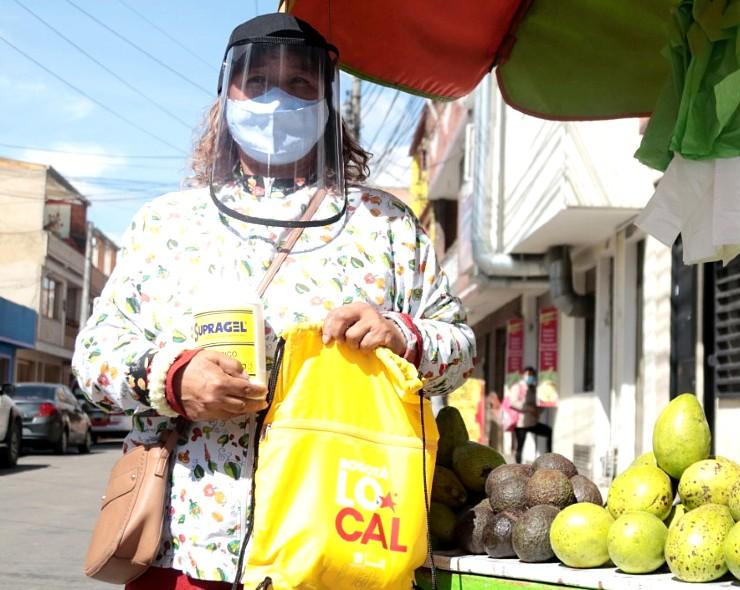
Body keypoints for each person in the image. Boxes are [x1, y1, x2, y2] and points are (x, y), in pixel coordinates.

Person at [72, 14, 475, 589]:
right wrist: (173, 379)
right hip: (190, 551)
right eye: (257, 83)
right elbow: (93, 360)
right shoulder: (169, 224)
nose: (277, 100)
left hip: (339, 548)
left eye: (300, 86)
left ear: (328, 105)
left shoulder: (383, 225)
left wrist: (401, 335)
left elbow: (458, 351)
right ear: (225, 97)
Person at [507, 367, 552, 463]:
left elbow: (541, 403)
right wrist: (529, 408)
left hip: (532, 422)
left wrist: (538, 411)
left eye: (532, 375)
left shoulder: (534, 388)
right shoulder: (517, 387)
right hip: (521, 423)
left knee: (548, 431)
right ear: (524, 375)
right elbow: (513, 402)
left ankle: (549, 459)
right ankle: (518, 467)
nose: (531, 377)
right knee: (520, 446)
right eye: (529, 375)